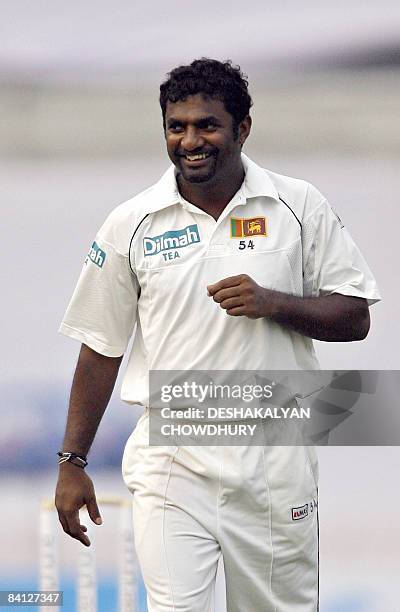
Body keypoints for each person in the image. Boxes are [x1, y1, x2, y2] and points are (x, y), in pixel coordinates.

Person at [55, 58, 380, 611]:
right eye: (175, 127)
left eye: (206, 125)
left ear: (242, 128)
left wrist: (273, 302)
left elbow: (355, 317)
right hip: (174, 456)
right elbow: (100, 347)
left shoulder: (298, 205)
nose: (190, 141)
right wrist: (72, 462)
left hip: (275, 454)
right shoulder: (131, 222)